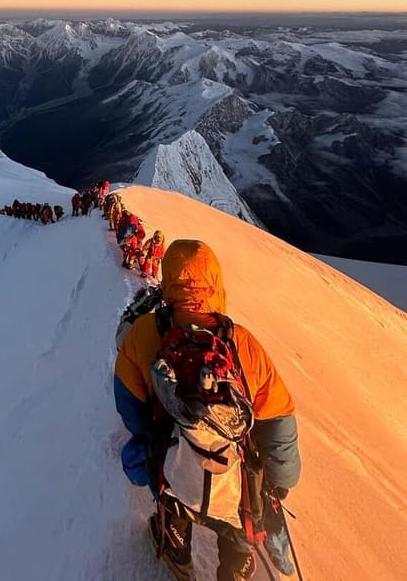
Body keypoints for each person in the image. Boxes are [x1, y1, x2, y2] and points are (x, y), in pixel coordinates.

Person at [114, 239, 300, 581]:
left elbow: (129, 407)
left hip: (172, 469)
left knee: (168, 483)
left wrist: (149, 439)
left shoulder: (141, 335)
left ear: (167, 279)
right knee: (241, 516)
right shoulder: (242, 344)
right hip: (235, 480)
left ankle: (176, 542)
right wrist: (281, 481)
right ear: (215, 282)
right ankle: (237, 564)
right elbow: (279, 423)